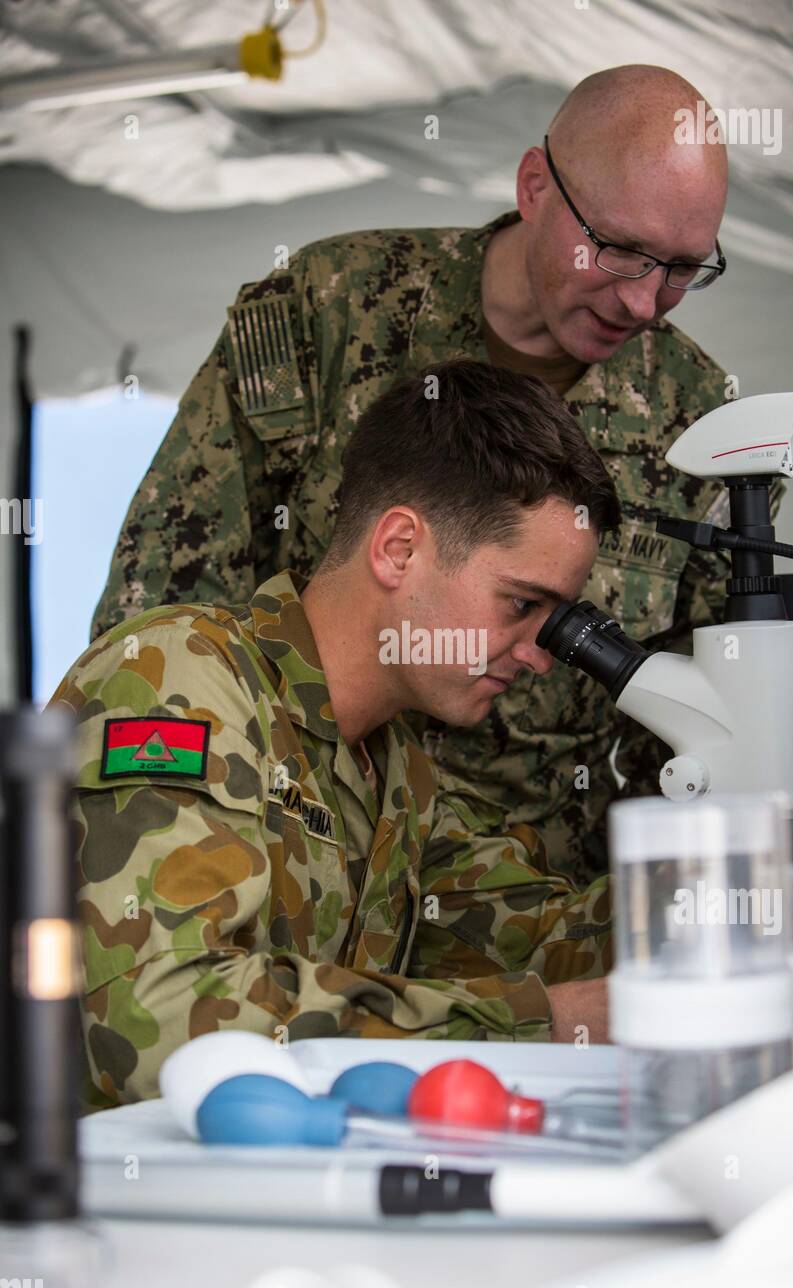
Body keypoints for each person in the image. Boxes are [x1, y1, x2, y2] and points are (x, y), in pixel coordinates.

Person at [91, 64, 742, 884]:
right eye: (619, 252)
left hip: (519, 902)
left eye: (684, 269)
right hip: (287, 853)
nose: (645, 303)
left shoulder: (706, 425)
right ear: (535, 186)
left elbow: (693, 726)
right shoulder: (328, 309)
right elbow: (161, 600)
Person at [53, 360, 621, 1110]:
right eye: (519, 603)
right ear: (397, 549)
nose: (538, 654)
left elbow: (541, 938)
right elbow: (159, 1017)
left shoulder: (397, 771)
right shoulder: (177, 678)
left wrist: (749, 883)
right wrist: (538, 1025)